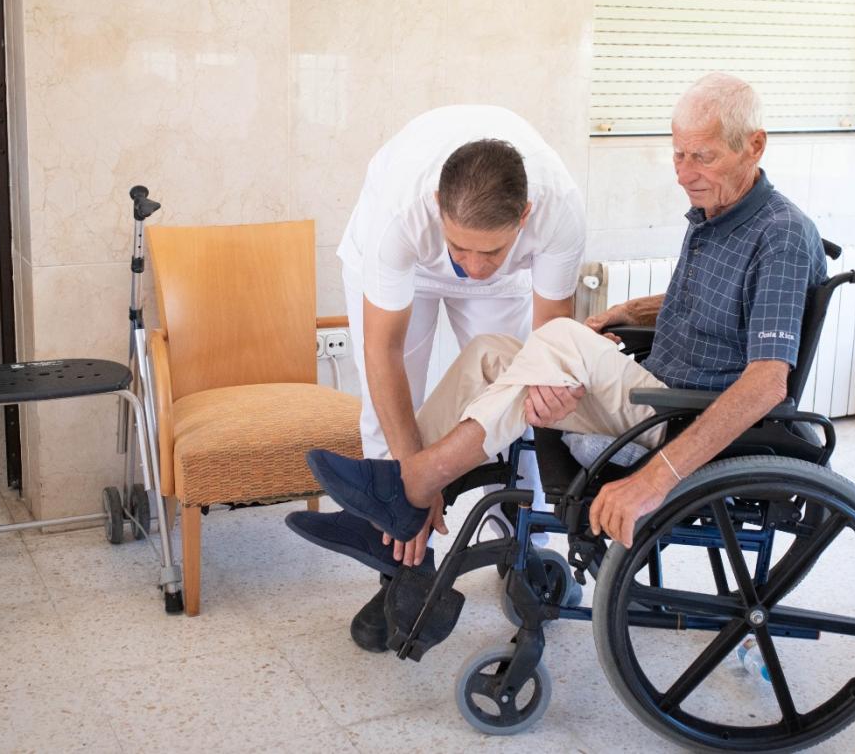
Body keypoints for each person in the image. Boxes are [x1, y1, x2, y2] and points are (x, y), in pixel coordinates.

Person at [300, 72, 827, 560]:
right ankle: (392, 505)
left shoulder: (779, 235)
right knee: (490, 352)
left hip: (681, 413)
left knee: (557, 338)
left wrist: (657, 476)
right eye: (679, 154)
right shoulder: (716, 214)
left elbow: (766, 383)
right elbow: (724, 305)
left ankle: (409, 487)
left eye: (703, 157)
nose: (685, 174)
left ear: (754, 145)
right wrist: (628, 311)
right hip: (651, 393)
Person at [290, 104, 585, 652]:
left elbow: (549, 348)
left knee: (515, 398)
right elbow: (383, 351)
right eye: (461, 248)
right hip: (407, 268)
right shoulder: (399, 217)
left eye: (488, 250)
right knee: (391, 418)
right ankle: (399, 569)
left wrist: (493, 265)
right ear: (435, 209)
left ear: (524, 215)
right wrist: (414, 475)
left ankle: (521, 549)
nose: (472, 266)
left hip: (510, 284)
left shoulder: (560, 210)